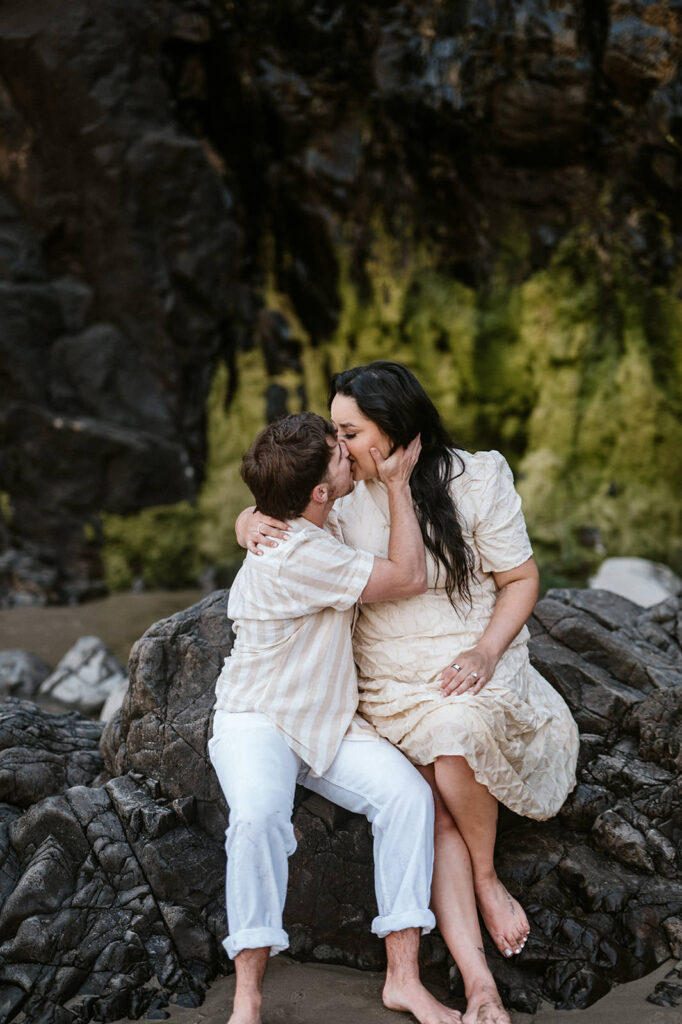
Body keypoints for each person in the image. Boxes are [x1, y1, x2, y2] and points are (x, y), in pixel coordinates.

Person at [237, 362, 580, 1024]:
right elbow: (287, 506)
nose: (339, 447)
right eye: (334, 434)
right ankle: (480, 982)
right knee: (432, 804)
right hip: (387, 674)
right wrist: (247, 517)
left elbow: (522, 579)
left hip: (469, 651)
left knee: (455, 734)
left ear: (394, 430)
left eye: (350, 432)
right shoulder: (341, 494)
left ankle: (483, 880)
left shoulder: (477, 477)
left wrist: (485, 650)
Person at [211, 411, 463, 1024]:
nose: (350, 454)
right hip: (260, 717)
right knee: (257, 818)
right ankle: (247, 996)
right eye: (339, 454)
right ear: (319, 492)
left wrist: (245, 518)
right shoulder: (296, 551)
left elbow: (270, 510)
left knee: (408, 799)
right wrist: (400, 484)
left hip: (329, 718)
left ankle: (403, 979)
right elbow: (407, 577)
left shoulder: (314, 516)